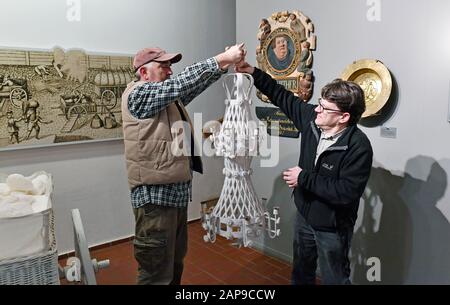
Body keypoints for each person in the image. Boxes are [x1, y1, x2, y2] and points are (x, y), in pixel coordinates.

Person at [236, 62, 373, 285]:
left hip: (333, 227)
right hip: (304, 216)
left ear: (344, 117)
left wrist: (303, 178)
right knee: (301, 274)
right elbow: (280, 95)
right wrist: (252, 71)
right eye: (320, 104)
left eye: (325, 108)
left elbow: (346, 193)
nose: (317, 109)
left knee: (335, 278)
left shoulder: (358, 146)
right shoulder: (312, 121)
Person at [122, 44, 246, 285]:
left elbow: (191, 85)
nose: (170, 71)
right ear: (144, 73)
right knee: (156, 273)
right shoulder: (139, 95)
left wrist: (222, 67)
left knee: (173, 266)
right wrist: (221, 58)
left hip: (172, 198)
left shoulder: (165, 100)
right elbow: (181, 83)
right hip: (155, 202)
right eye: (164, 66)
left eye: (170, 66)